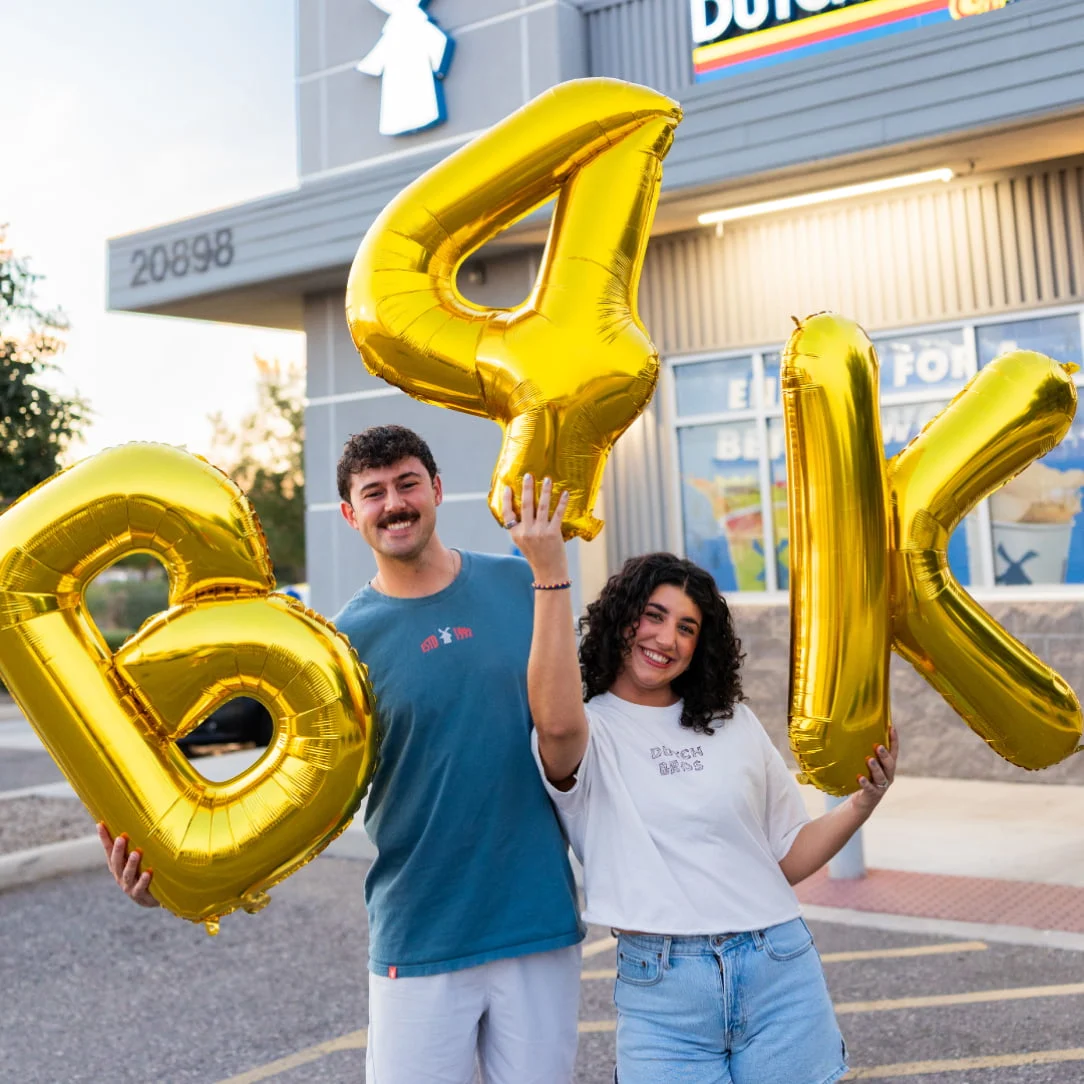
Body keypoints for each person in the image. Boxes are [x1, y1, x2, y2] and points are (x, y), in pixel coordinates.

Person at [100, 425, 584, 1084]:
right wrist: (178, 876)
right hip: (419, 933)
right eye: (374, 493)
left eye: (408, 483)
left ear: (438, 490)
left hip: (536, 920)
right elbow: (288, 800)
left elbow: (584, 729)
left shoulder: (522, 586)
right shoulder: (339, 648)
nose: (395, 504)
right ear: (351, 515)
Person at [505, 475, 899, 1084]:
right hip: (664, 989)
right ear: (622, 621)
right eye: (654, 616)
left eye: (687, 628)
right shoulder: (589, 731)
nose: (666, 638)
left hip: (779, 965)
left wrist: (862, 803)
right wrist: (552, 572)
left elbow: (786, 858)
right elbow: (554, 725)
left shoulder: (731, 722)